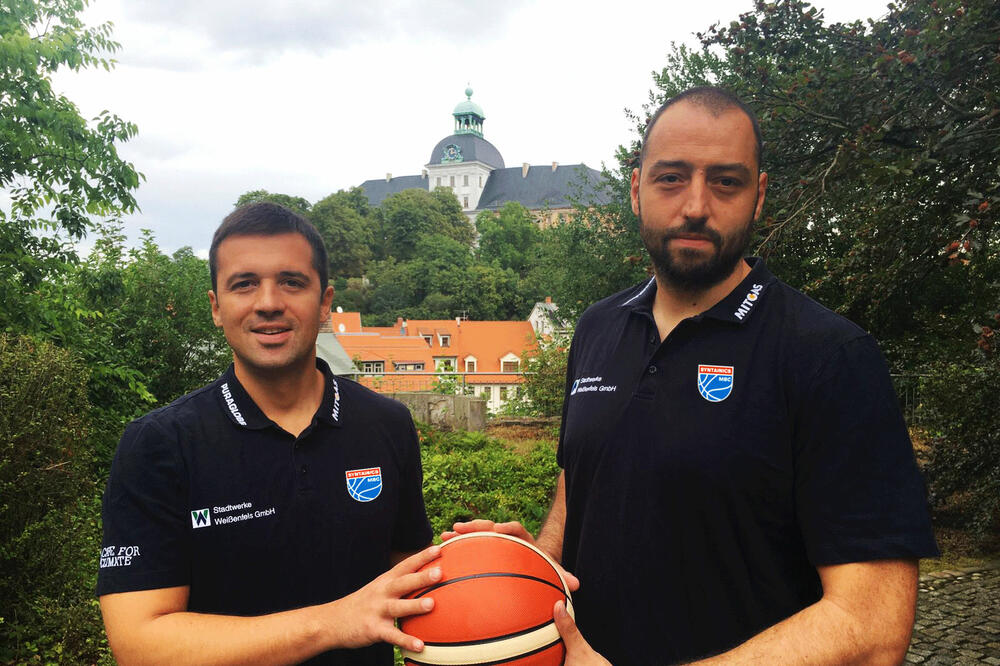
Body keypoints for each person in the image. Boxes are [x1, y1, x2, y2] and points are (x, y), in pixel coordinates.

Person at [448, 87, 938, 665]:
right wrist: (540, 563)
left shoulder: (830, 356)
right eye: (671, 178)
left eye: (726, 181)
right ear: (636, 191)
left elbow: (871, 626)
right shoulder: (597, 328)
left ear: (759, 198)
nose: (696, 205)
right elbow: (578, 485)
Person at [98, 202, 441, 665]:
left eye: (291, 282)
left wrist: (485, 555)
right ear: (217, 307)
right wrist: (333, 623)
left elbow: (411, 582)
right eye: (244, 284)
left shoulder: (386, 424)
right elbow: (140, 645)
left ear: (324, 303)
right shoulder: (161, 443)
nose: (268, 303)